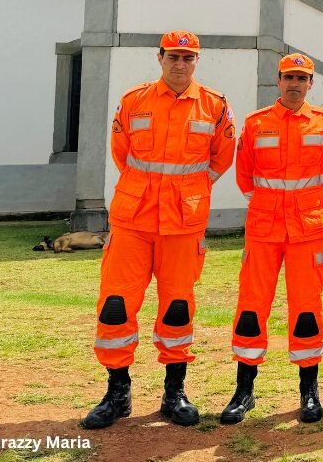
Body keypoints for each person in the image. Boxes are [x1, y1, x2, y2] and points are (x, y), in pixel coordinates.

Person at [83, 31, 235, 429]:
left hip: (183, 224)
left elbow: (220, 160)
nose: (180, 63)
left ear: (196, 61)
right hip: (132, 221)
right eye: (173, 56)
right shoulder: (134, 101)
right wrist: (149, 190)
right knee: (115, 305)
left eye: (188, 57)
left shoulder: (215, 106)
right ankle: (117, 393)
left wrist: (190, 191)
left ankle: (174, 392)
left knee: (177, 307)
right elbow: (123, 156)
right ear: (160, 57)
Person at [219, 53, 323, 425]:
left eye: (302, 78)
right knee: (251, 308)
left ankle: (309, 391)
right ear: (278, 81)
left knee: (307, 310)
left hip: (307, 230)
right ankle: (244, 392)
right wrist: (270, 204)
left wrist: (305, 204)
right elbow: (245, 178)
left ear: (311, 84)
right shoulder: (256, 123)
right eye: (289, 77)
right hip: (264, 228)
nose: (295, 83)